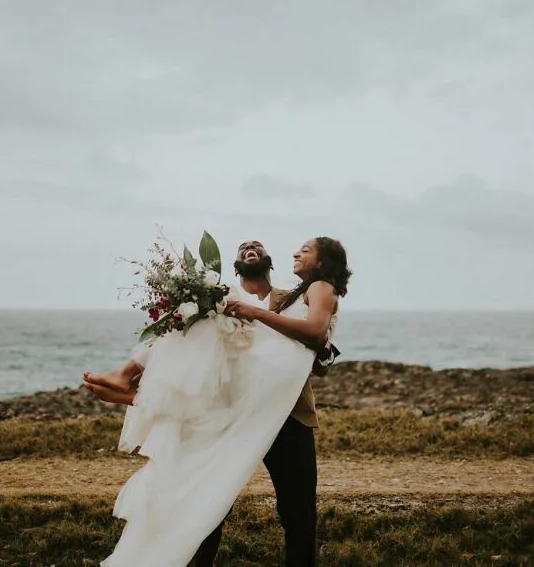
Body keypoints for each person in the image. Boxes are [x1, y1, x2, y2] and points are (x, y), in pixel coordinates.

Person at [83, 237, 350, 566]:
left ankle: (138, 396)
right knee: (208, 497)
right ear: (236, 266)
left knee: (298, 513)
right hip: (231, 412)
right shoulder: (222, 300)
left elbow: (316, 350)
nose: (250, 249)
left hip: (287, 416)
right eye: (243, 249)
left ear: (269, 261)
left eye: (258, 247)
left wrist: (315, 347)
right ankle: (135, 384)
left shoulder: (294, 297)